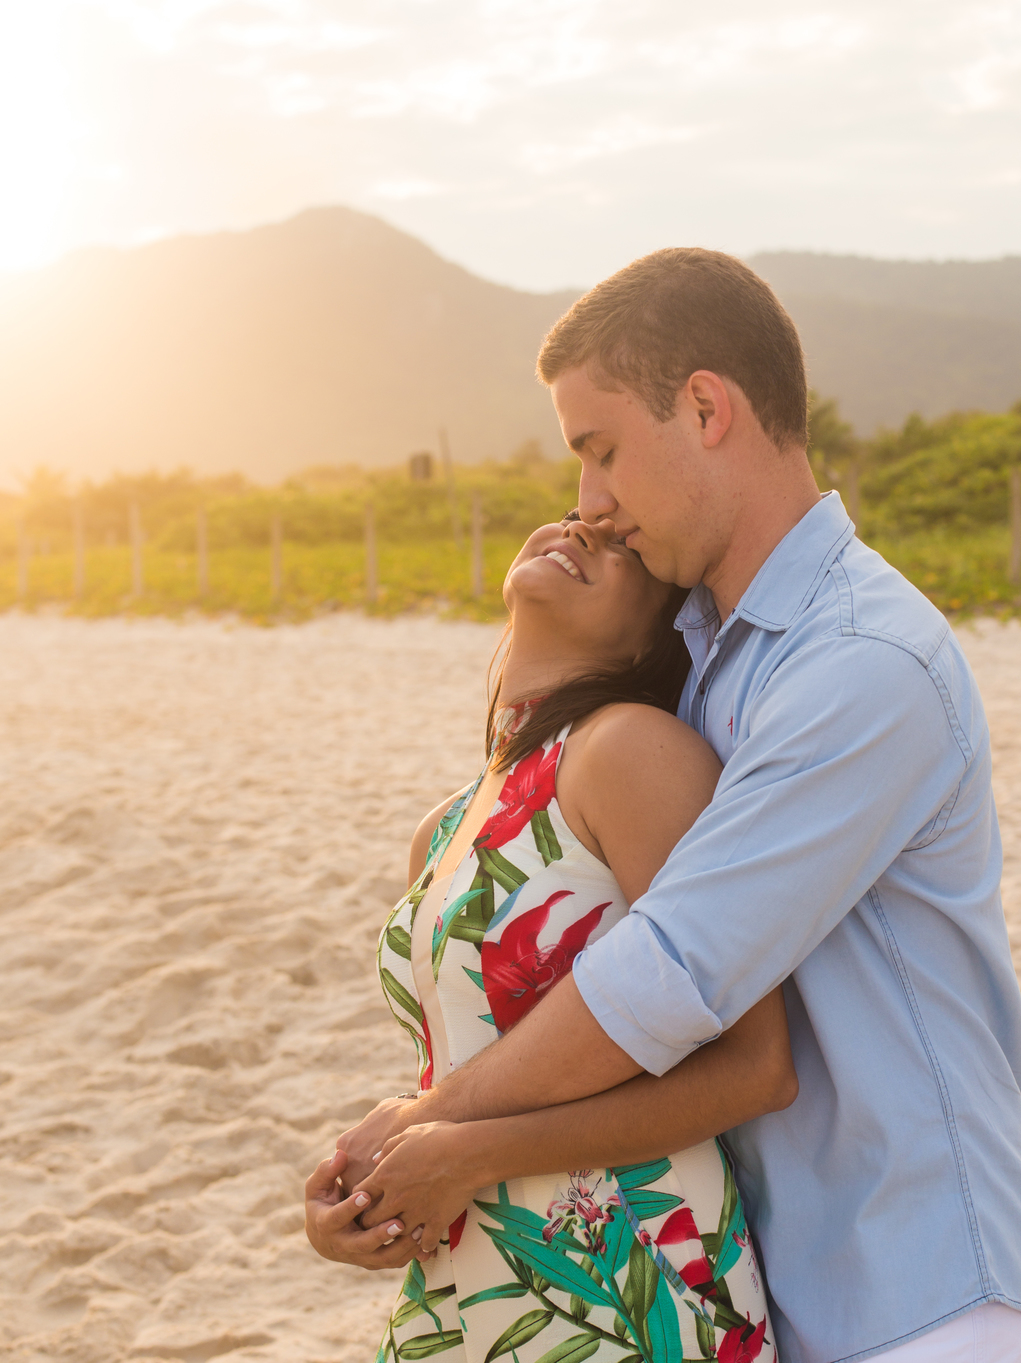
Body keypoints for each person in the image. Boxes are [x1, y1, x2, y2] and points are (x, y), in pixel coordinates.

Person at [311, 249, 1021, 1363]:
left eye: (602, 450)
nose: (589, 501)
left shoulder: (861, 662)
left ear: (707, 406)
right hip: (758, 1275)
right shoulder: (704, 659)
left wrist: (433, 1126)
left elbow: (673, 970)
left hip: (916, 1285)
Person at [306, 509, 799, 1363]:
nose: (580, 531)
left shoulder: (630, 752)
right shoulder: (446, 823)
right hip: (469, 1271)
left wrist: (465, 1153)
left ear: (661, 629)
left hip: (629, 1277)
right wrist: (366, 1196)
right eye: (574, 518)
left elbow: (756, 1068)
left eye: (621, 548)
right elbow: (475, 1064)